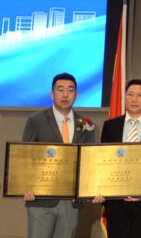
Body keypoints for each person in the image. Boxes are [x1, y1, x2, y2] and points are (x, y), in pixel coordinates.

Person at [92, 79, 141, 238]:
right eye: (130, 94)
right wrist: (99, 189)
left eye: (139, 95)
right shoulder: (110, 126)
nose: (134, 99)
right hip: (115, 201)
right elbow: (102, 162)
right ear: (125, 97)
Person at [22, 72, 96, 238]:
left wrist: (92, 189)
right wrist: (25, 188)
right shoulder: (35, 120)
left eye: (70, 90)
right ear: (52, 94)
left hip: (71, 202)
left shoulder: (86, 124)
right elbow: (25, 158)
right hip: (41, 199)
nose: (65, 94)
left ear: (76, 95)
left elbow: (90, 161)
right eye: (60, 89)